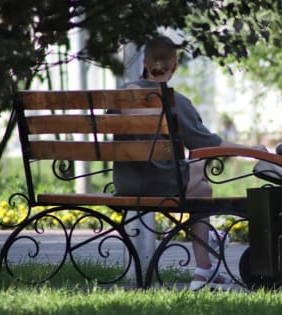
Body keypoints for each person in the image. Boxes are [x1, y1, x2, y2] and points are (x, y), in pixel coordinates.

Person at [113, 35, 268, 290]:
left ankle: (204, 269)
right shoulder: (175, 102)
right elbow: (207, 145)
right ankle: (205, 259)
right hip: (162, 186)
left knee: (202, 187)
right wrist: (251, 150)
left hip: (126, 184)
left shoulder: (120, 96)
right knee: (201, 177)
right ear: (173, 66)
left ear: (145, 62)